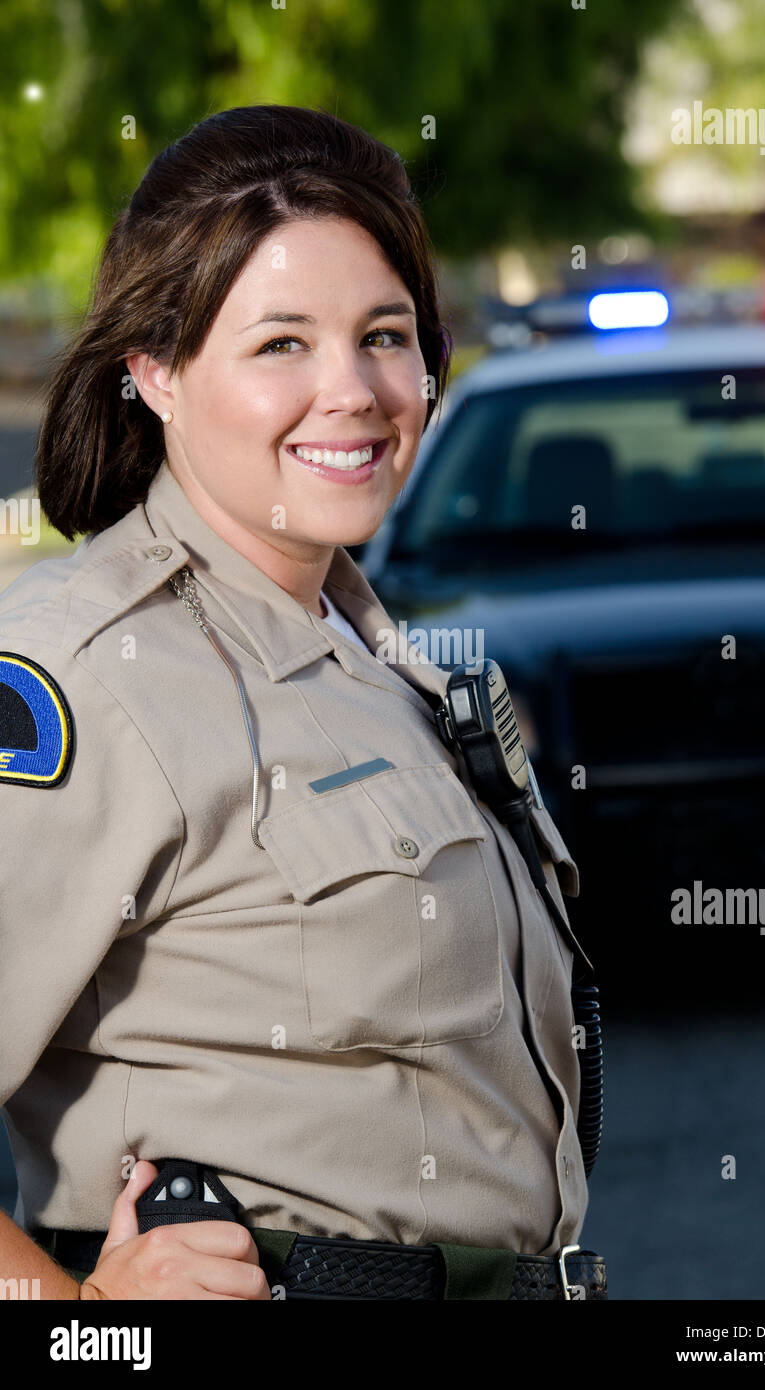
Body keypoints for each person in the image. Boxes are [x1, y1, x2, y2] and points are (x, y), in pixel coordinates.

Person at [0, 105, 600, 1301]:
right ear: (156, 371)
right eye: (281, 344)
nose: (354, 392)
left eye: (385, 335)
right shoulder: (80, 673)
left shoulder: (381, 659)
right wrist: (83, 1326)